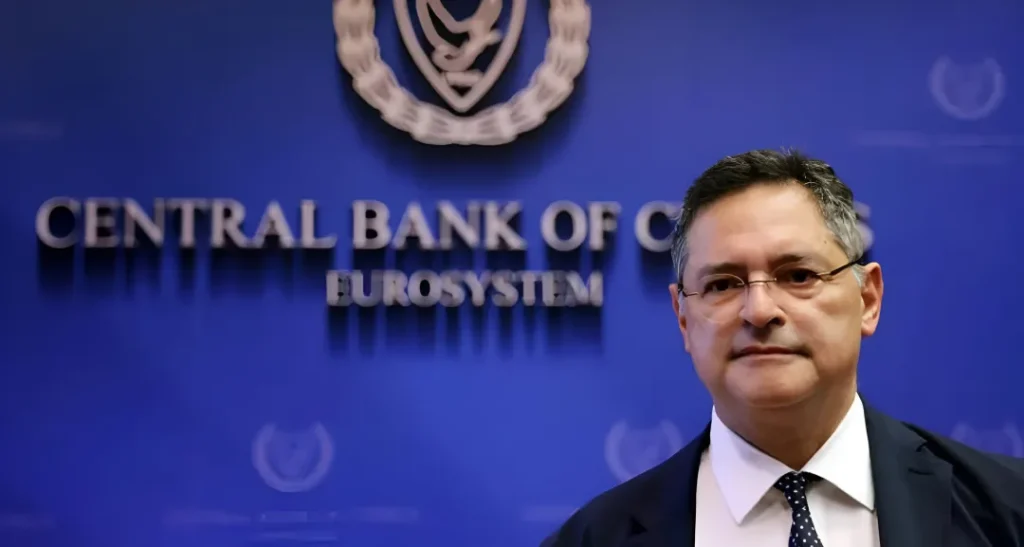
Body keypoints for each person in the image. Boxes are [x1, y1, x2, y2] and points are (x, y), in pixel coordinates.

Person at [541, 149, 1024, 547]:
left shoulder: (1006, 509)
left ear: (868, 300)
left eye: (798, 276)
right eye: (723, 284)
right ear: (683, 318)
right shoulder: (593, 539)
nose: (759, 310)